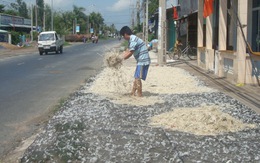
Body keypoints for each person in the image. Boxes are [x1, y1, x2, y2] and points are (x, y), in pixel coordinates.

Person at [120, 26, 151, 97]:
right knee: (136, 77)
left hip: (143, 60)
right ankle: (132, 93)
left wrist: (121, 59)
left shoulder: (133, 39)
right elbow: (127, 51)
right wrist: (120, 57)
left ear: (125, 34)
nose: (123, 38)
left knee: (137, 78)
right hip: (141, 60)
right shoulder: (131, 40)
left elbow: (130, 53)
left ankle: (140, 94)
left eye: (122, 36)